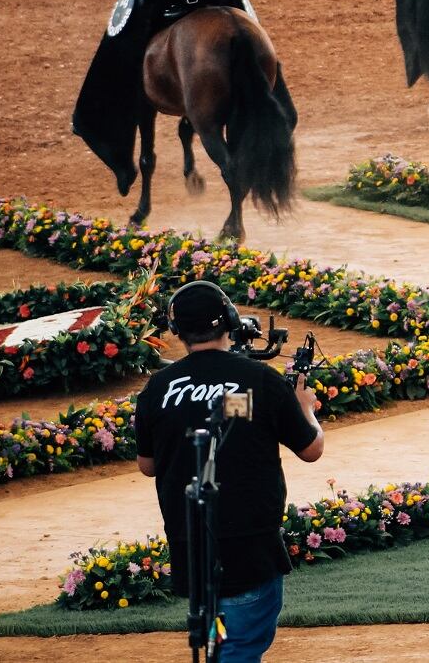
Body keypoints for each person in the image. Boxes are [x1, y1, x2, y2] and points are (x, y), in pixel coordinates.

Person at [128, 278, 321, 663]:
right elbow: (311, 449)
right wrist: (305, 409)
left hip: (190, 546)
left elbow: (147, 465)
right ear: (230, 320)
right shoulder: (256, 381)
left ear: (176, 330)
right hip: (249, 547)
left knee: (219, 640)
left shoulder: (159, 387)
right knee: (239, 647)